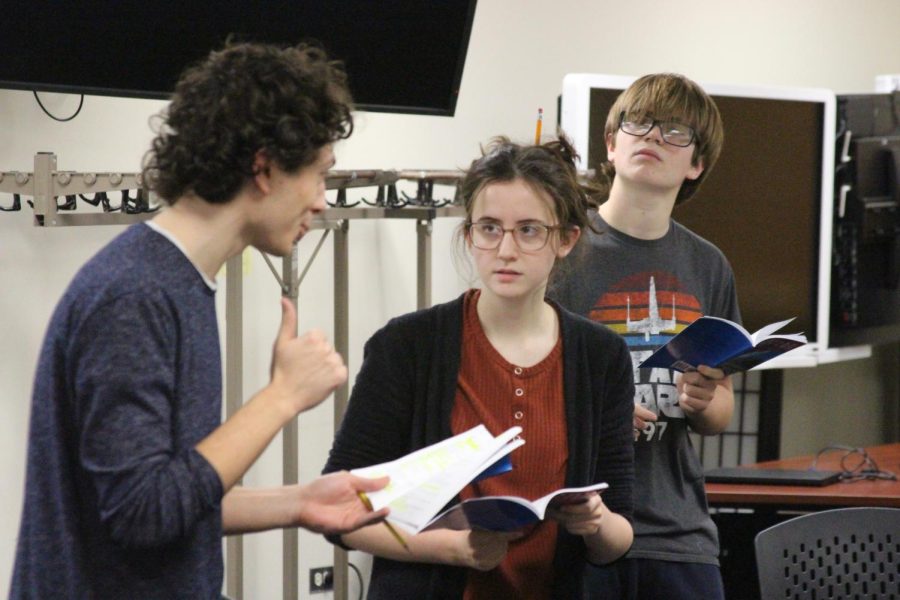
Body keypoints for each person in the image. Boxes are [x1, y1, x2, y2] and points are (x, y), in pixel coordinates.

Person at [10, 42, 390, 599]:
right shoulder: (134, 294)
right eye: (317, 175)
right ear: (264, 168)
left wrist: (299, 502)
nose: (321, 201)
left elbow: (174, 494)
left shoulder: (174, 282)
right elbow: (142, 513)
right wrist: (281, 396)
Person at [322, 136, 636, 599]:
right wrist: (450, 549)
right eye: (489, 228)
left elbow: (618, 539)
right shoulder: (407, 346)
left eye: (529, 230)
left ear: (566, 239)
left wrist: (596, 522)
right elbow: (342, 513)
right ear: (469, 234)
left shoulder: (600, 356)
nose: (506, 249)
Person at [551, 73, 735, 599]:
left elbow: (721, 407)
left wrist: (703, 401)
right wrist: (597, 412)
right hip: (580, 526)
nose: (652, 137)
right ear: (611, 144)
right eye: (638, 124)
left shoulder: (709, 265)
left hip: (679, 534)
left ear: (696, 164)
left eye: (675, 132)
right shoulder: (562, 248)